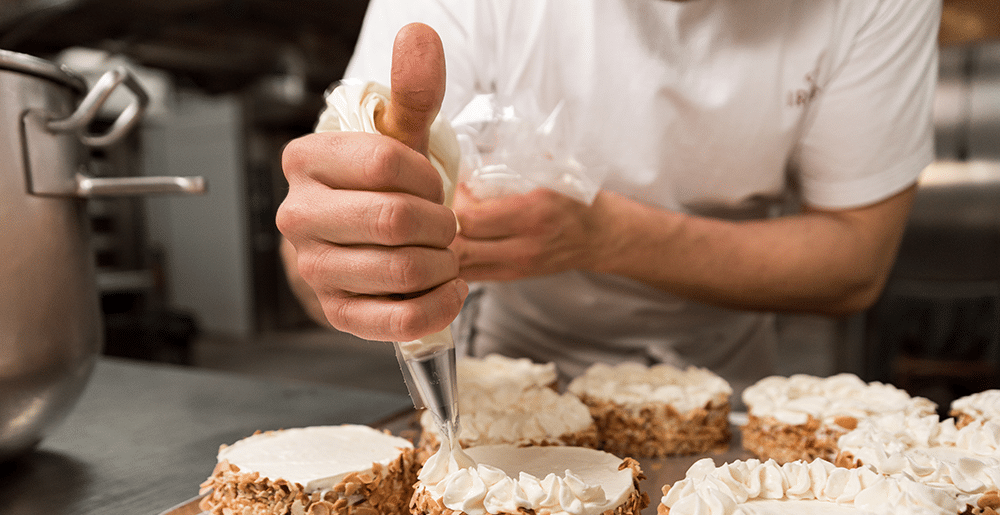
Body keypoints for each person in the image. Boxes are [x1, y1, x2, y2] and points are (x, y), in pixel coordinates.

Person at [276, 0, 941, 398]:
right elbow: (328, 214)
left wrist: (608, 236)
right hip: (508, 376)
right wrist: (350, 251)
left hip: (723, 386)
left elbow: (855, 259)